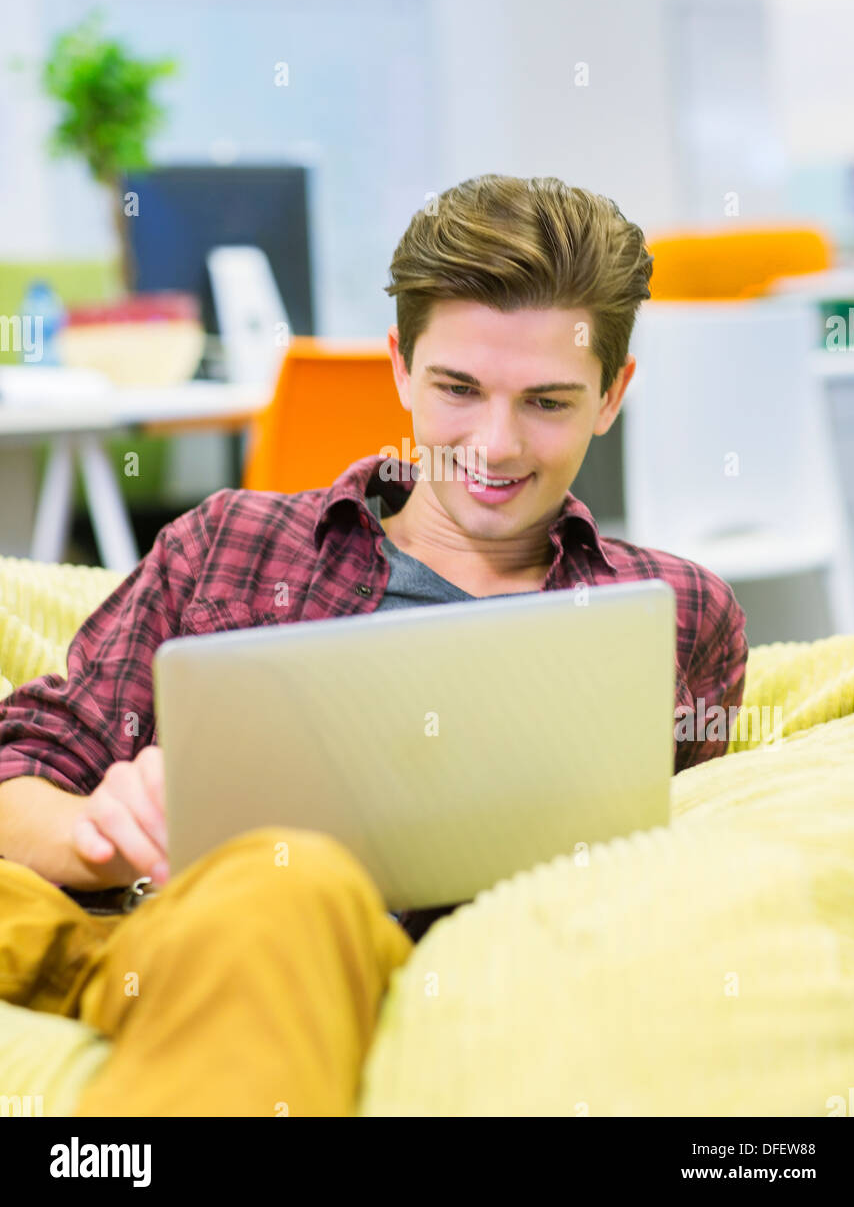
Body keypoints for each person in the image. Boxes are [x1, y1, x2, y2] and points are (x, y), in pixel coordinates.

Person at [0, 175, 748, 1115]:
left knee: (294, 881)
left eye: (548, 402)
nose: (496, 443)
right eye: (458, 389)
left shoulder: (673, 612)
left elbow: (690, 874)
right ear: (400, 369)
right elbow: (18, 769)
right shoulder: (231, 543)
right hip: (141, 938)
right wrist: (96, 831)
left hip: (356, 949)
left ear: (612, 394)